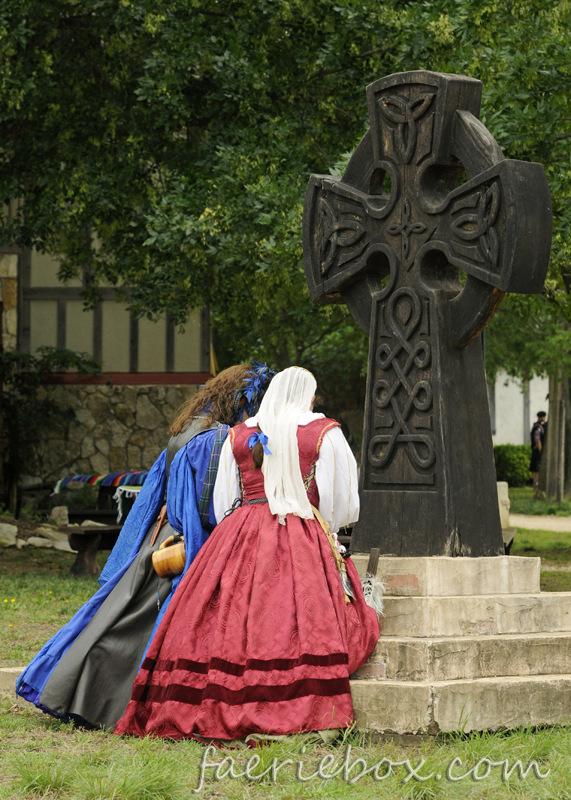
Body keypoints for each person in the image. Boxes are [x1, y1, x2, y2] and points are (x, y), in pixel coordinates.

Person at [115, 366, 380, 741]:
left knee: (223, 617)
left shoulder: (239, 434)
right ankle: (293, 704)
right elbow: (343, 502)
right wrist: (325, 531)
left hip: (240, 530)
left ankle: (206, 699)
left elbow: (226, 500)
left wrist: (239, 528)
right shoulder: (325, 432)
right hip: (301, 531)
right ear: (308, 393)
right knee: (298, 615)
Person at [16, 362, 275, 729]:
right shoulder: (214, 438)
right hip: (183, 542)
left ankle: (74, 689)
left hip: (158, 537)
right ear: (242, 401)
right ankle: (112, 702)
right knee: (140, 630)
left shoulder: (187, 428)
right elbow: (207, 506)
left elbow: (155, 492)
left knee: (116, 619)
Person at [530, 410, 547, 496]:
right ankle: (536, 484)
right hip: (537, 450)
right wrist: (541, 450)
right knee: (537, 468)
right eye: (543, 417)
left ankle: (536, 483)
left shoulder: (538, 426)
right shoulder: (538, 427)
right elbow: (537, 440)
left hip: (536, 449)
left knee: (536, 468)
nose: (544, 418)